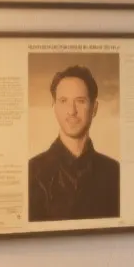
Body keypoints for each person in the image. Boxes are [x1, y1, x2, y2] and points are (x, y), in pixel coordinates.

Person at [28, 64, 120, 221]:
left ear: (94, 108)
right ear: (54, 107)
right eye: (63, 101)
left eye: (80, 101)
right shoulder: (32, 172)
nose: (72, 111)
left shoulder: (114, 172)